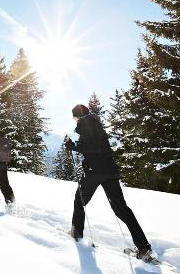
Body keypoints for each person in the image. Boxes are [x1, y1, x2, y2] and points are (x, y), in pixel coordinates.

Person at [65, 104, 153, 261]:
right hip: (110, 172)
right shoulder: (96, 124)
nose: (75, 121)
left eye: (74, 117)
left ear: (79, 116)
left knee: (80, 200)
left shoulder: (86, 125)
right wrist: (78, 146)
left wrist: (73, 146)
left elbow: (91, 147)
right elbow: (100, 147)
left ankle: (76, 233)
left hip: (94, 171)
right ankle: (143, 248)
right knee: (121, 209)